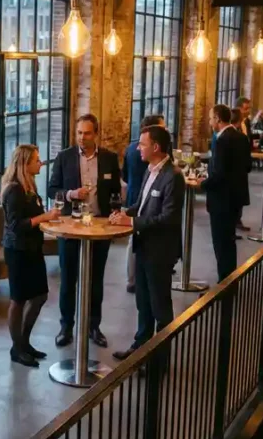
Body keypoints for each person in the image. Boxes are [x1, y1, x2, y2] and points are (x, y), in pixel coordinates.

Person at [109, 125, 184, 360]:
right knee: (143, 302)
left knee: (160, 307)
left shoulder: (173, 177)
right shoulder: (149, 170)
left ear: (156, 147)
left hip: (160, 252)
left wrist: (130, 223)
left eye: (142, 144)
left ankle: (159, 360)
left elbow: (168, 218)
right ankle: (140, 348)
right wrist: (123, 213)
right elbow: (141, 206)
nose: (137, 148)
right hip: (143, 247)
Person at [47, 113, 122, 348]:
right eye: (79, 133)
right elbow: (52, 189)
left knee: (95, 279)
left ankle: (93, 326)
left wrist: (115, 212)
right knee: (68, 279)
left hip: (100, 227)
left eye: (87, 133)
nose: (82, 137)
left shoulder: (109, 159)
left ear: (95, 133)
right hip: (71, 226)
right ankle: (66, 327)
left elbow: (115, 193)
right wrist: (71, 194)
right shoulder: (64, 157)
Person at [0, 145, 60, 367]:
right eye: (36, 159)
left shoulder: (29, 186)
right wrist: (46, 216)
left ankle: (24, 342)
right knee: (18, 299)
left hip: (32, 248)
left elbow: (32, 217)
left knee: (40, 295)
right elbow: (16, 226)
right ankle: (17, 348)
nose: (40, 163)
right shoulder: (14, 190)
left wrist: (47, 218)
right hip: (17, 251)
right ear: (25, 164)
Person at [192, 104, 249, 282]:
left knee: (221, 241)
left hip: (222, 198)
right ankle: (229, 278)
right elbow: (248, 166)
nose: (210, 122)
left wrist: (203, 184)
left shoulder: (222, 140)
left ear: (217, 118)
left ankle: (224, 281)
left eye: (210, 118)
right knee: (229, 240)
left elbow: (219, 172)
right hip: (236, 197)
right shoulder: (241, 137)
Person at [123, 114, 167, 294]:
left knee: (132, 242)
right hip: (142, 204)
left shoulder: (129, 149)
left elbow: (124, 175)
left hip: (132, 195)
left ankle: (131, 278)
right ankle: (135, 279)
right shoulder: (153, 165)